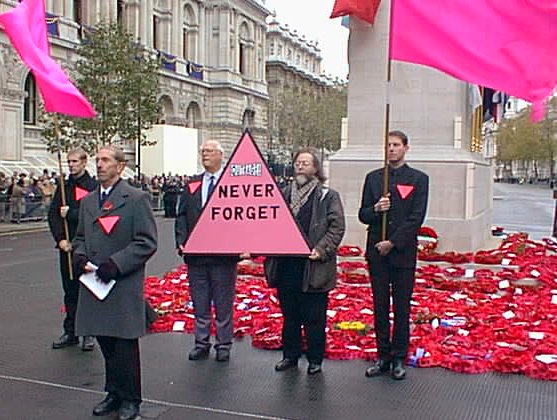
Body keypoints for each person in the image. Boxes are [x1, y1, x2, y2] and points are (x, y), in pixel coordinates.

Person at [72, 145, 157, 420]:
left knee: (124, 345)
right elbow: (80, 237)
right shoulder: (88, 201)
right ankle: (114, 393)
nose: (99, 165)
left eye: (105, 160)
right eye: (97, 160)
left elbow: (146, 242)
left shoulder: (136, 198)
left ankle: (131, 398)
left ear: (120, 166)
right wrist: (79, 255)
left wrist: (117, 264)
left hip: (121, 284)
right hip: (94, 283)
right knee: (105, 342)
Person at [265, 148, 345, 375]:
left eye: (306, 163)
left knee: (314, 317)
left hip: (314, 267)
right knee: (290, 316)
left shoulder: (327, 196)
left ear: (315, 169)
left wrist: (321, 250)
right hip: (285, 266)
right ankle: (290, 356)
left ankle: (315, 359)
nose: (300, 166)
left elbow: (336, 227)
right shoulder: (281, 194)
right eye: (298, 162)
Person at [358, 130, 429, 380]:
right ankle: (383, 356)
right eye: (388, 145)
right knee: (379, 306)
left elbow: (416, 218)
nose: (391, 149)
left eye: (396, 145)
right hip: (377, 252)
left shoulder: (419, 179)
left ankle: (399, 356)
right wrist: (376, 209)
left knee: (401, 307)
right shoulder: (374, 178)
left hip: (402, 253)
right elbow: (363, 214)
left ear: (406, 148)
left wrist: (393, 242)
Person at [175, 140, 241, 362]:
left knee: (223, 302)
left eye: (209, 151)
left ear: (221, 155)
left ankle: (223, 344)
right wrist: (181, 240)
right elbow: (181, 214)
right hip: (196, 255)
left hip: (224, 256)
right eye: (203, 151)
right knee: (200, 301)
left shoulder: (232, 183)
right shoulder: (192, 184)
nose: (205, 154)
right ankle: (201, 342)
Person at [48, 148, 97, 351]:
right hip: (67, 247)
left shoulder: (93, 186)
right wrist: (60, 239)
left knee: (86, 290)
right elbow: (53, 215)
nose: (71, 165)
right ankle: (70, 331)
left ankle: (88, 333)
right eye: (69, 161)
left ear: (84, 163)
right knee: (69, 291)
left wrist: (72, 213)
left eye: (75, 161)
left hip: (85, 247)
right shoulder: (63, 185)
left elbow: (94, 215)